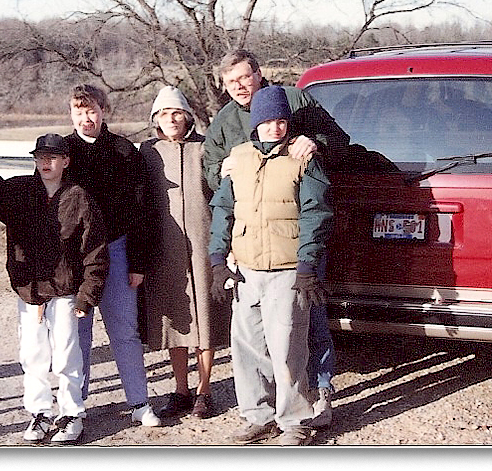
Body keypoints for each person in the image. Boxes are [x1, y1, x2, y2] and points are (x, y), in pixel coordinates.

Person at [203, 48, 348, 427]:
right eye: (231, 82)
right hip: (252, 247)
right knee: (254, 335)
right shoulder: (224, 122)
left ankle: (318, 394)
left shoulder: (296, 99)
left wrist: (315, 142)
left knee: (305, 324)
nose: (239, 87)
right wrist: (223, 170)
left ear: (258, 74)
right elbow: (216, 182)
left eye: (244, 78)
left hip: (294, 242)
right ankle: (264, 409)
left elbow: (339, 139)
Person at [0, 133, 109, 445]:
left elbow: (95, 252)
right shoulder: (20, 192)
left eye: (52, 157)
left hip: (67, 292)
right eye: (41, 156)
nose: (46, 162)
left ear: (65, 161)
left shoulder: (79, 197)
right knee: (33, 356)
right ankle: (39, 413)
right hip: (30, 291)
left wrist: (87, 295)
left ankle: (71, 413)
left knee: (68, 356)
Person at [63, 84, 162, 427]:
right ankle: (75, 405)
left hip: (117, 250)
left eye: (91, 110)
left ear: (104, 111)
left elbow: (141, 209)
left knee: (124, 331)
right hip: (76, 259)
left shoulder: (124, 151)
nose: (85, 118)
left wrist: (138, 262)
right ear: (71, 114)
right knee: (78, 333)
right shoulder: (63, 152)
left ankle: (139, 401)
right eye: (78, 111)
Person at [139, 86, 230, 420]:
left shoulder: (204, 148)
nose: (171, 119)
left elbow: (222, 194)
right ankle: (180, 389)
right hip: (164, 250)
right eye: (164, 114)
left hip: (203, 246)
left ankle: (205, 390)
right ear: (156, 119)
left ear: (188, 116)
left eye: (176, 112)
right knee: (175, 321)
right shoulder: (148, 153)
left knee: (205, 320)